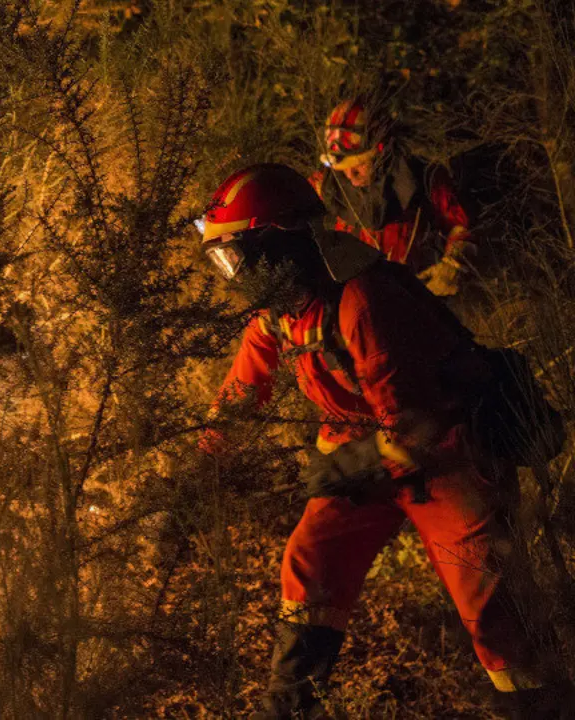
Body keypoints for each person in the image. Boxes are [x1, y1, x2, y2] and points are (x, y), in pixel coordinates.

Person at [199, 163, 565, 719]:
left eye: (234, 257)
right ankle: (289, 708)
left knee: (492, 609)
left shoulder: (362, 299)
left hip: (449, 461)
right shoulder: (282, 310)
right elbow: (238, 398)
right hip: (367, 457)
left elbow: (415, 427)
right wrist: (196, 474)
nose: (233, 275)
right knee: (311, 563)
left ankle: (542, 706)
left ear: (278, 242)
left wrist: (342, 467)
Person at [310, 97, 474, 297]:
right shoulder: (325, 186)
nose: (350, 176)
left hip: (415, 297)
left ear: (382, 150)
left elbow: (460, 226)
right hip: (354, 304)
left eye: (360, 163)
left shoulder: (422, 176)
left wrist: (452, 266)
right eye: (343, 167)